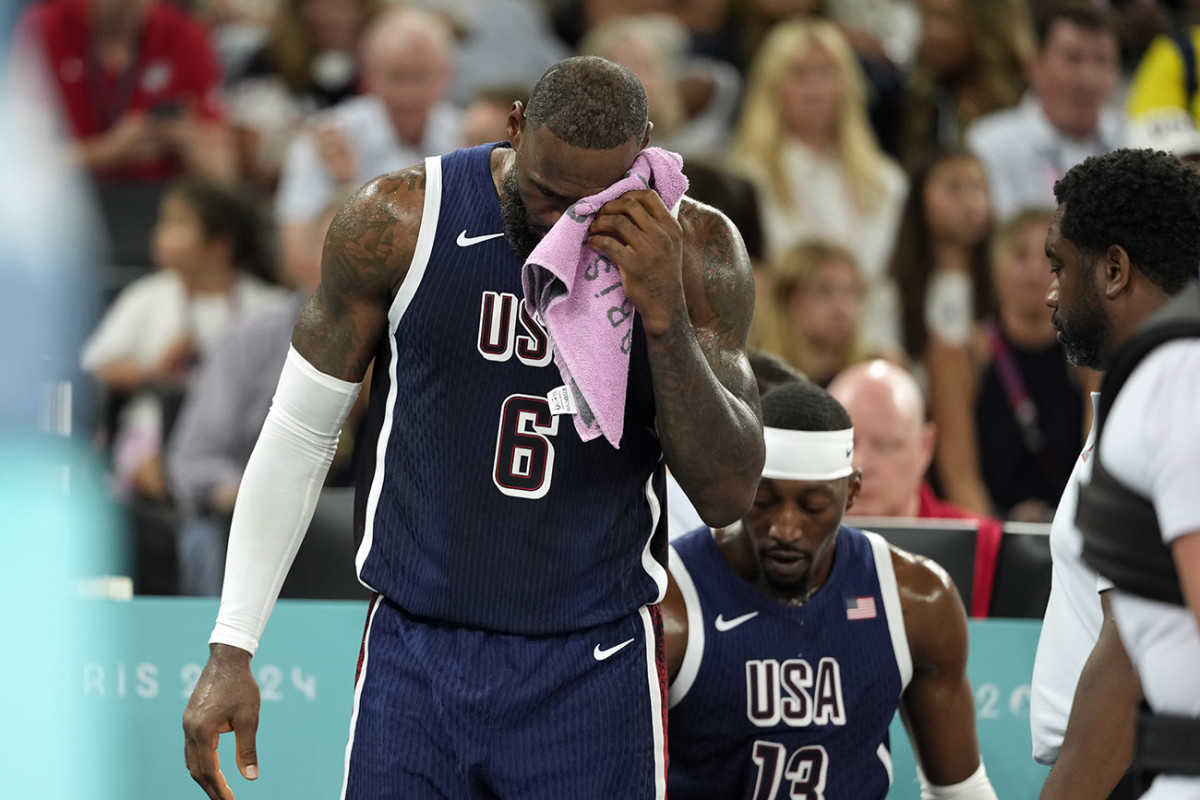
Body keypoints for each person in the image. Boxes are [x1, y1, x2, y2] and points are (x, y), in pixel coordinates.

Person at [181, 55, 764, 800]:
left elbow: (726, 493)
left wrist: (665, 317)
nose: (568, 224)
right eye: (550, 194)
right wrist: (233, 644)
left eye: (596, 202)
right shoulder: (399, 218)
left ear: (644, 149)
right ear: (515, 127)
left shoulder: (696, 254)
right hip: (418, 653)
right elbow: (300, 432)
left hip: (595, 661)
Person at [664, 379, 997, 799]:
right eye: (763, 501)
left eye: (812, 506)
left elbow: (961, 792)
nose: (785, 528)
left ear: (851, 492)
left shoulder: (915, 598)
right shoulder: (671, 600)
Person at [1037, 148, 1200, 800]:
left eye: (1058, 264)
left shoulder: (1169, 395)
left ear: (1113, 269)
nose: (1049, 290)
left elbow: (1131, 654)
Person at [166, 196, 353, 597]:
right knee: (204, 536)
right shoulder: (249, 340)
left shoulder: (417, 348)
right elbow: (194, 460)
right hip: (259, 522)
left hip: (373, 535)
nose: (360, 274)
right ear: (302, 264)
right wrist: (256, 496)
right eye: (342, 254)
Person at [80, 178, 284, 501]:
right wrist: (152, 373)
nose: (159, 235)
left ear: (220, 246)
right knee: (153, 469)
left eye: (177, 225)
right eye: (163, 223)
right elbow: (96, 366)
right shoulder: (147, 297)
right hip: (156, 431)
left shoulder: (269, 308)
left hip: (246, 434)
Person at [732, 18, 908, 355]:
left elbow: (887, 287)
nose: (815, 88)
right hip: (778, 352)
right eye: (799, 74)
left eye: (827, 72)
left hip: (869, 348)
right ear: (773, 88)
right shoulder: (747, 180)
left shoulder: (887, 183)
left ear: (848, 84)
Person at [274, 6, 461, 282]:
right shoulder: (326, 137)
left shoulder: (469, 137)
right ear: (368, 77)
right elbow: (296, 259)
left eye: (423, 76)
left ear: (448, 75)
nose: (409, 95)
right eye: (397, 77)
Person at [937, 208, 1091, 522]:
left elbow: (1096, 466)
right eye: (1020, 256)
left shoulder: (1089, 358)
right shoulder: (963, 357)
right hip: (992, 533)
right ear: (995, 266)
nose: (1035, 271)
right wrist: (998, 547)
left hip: (1069, 527)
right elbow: (959, 477)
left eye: (1049, 260)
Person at [828, 359, 1004, 618]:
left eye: (885, 445)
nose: (860, 465)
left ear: (925, 446)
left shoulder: (985, 546)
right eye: (846, 445)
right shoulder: (786, 543)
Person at [14, 0, 237, 183]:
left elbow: (224, 174)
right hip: (69, 203)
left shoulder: (187, 37)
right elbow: (20, 164)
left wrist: (187, 141)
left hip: (159, 202)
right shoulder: (45, 28)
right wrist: (107, 152)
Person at [888, 148, 996, 513]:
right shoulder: (893, 290)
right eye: (953, 188)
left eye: (978, 188)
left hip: (990, 420)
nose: (970, 202)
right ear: (920, 198)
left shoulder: (1001, 282)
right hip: (920, 423)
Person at [965, 2, 1123, 219]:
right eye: (1073, 58)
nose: (1089, 79)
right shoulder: (990, 144)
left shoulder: (1134, 141)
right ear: (1034, 66)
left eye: (1102, 60)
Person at [900, 0, 1033, 171]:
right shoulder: (922, 97)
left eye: (946, 18)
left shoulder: (1028, 99)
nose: (931, 32)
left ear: (985, 24)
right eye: (926, 16)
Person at [758, 239, 869, 387]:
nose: (842, 309)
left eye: (851, 292)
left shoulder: (869, 377)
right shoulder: (757, 382)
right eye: (824, 291)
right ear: (788, 300)